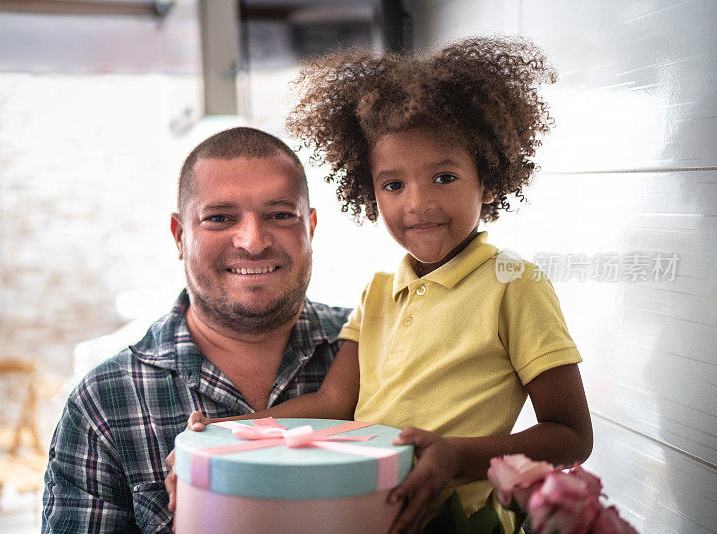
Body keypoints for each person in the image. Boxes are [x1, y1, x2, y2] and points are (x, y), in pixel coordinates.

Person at [185, 37, 594, 533]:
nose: (417, 204)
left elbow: (571, 434)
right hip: (371, 514)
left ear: (487, 182)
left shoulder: (514, 284)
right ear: (370, 191)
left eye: (443, 177)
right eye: (393, 184)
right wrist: (230, 434)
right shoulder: (377, 291)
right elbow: (333, 405)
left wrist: (456, 457)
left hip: (460, 521)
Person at [41, 127, 350, 532]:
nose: (253, 242)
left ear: (310, 227)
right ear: (180, 236)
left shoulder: (380, 347)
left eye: (279, 215)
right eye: (220, 218)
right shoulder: (105, 402)